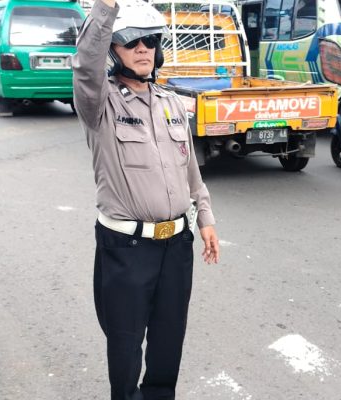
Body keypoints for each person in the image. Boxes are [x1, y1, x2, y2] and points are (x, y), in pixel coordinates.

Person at [72, 0, 220, 399]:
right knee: (125, 345)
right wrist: (105, 9)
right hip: (126, 248)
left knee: (168, 342)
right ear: (112, 51)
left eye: (150, 41)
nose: (142, 49)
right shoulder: (100, 104)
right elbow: (85, 66)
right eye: (131, 41)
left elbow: (190, 170)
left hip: (177, 245)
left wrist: (204, 218)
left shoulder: (172, 103)